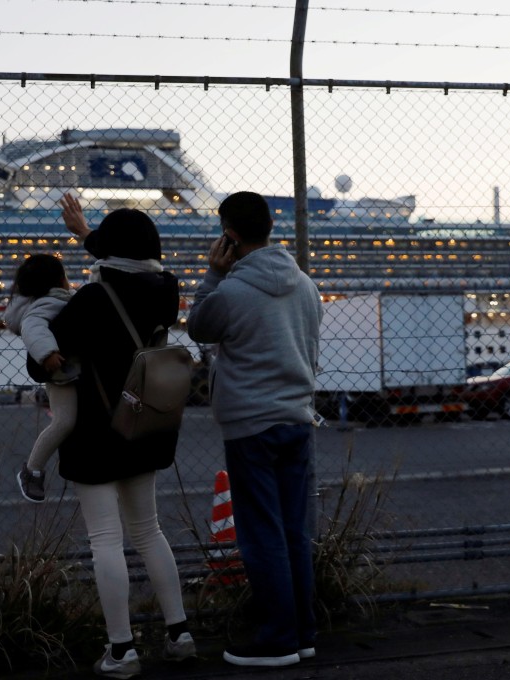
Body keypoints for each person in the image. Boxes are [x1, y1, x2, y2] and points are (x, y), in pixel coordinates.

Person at [48, 193, 196, 678]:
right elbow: (129, 268)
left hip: (96, 433)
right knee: (148, 531)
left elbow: (42, 362)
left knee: (106, 539)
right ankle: (179, 634)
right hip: (145, 425)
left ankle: (121, 650)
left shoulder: (90, 301)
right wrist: (89, 237)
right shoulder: (166, 291)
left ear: (107, 255)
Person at [186, 191, 323, 668]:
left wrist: (213, 272)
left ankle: (277, 639)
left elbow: (198, 326)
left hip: (251, 424)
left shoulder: (231, 291)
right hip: (297, 420)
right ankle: (302, 633)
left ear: (230, 233)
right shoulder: (306, 285)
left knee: (261, 533)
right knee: (293, 532)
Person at [3, 253, 78, 503]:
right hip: (60, 374)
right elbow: (32, 327)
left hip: (68, 373)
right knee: (64, 421)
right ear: (58, 280)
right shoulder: (48, 303)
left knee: (70, 421)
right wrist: (47, 354)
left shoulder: (49, 300)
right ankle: (32, 471)